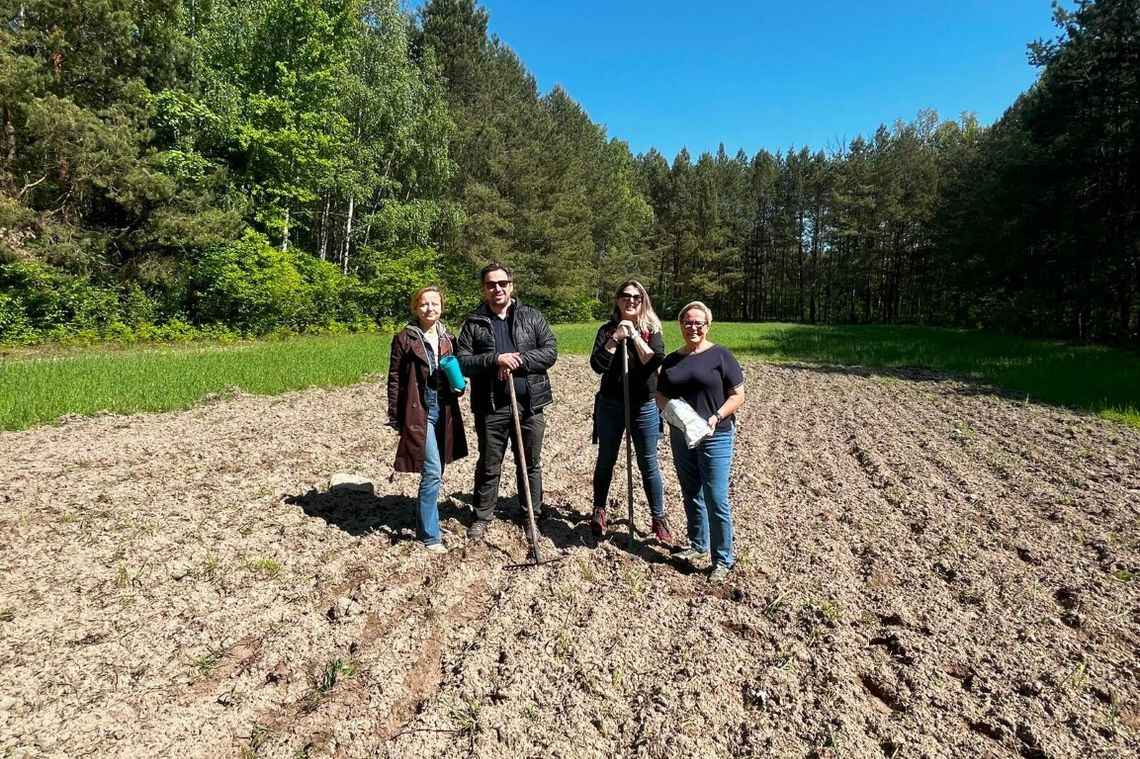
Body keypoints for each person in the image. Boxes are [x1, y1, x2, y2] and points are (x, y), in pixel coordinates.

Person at [457, 263, 558, 540]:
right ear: (484, 288)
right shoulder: (474, 322)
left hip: (530, 405)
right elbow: (463, 361)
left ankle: (531, 516)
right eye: (491, 284)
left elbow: (550, 351)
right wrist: (495, 360)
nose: (497, 289)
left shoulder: (532, 316)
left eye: (502, 283)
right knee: (489, 464)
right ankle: (482, 516)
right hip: (491, 407)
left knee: (530, 464)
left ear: (511, 285)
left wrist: (518, 360)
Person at [656, 301, 745, 583]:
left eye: (698, 323)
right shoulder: (672, 360)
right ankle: (698, 545)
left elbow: (738, 395)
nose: (692, 327)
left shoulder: (720, 355)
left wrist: (716, 417)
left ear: (708, 325)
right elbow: (660, 394)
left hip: (715, 434)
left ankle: (722, 559)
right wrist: (673, 412)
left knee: (715, 497)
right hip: (682, 434)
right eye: (687, 322)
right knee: (691, 491)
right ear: (680, 325)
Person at [386, 286, 469, 554]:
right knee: (432, 471)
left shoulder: (449, 339)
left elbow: (458, 374)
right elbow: (395, 378)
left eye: (434, 304)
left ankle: (428, 521)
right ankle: (429, 535)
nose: (429, 308)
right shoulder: (405, 338)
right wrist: (395, 415)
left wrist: (460, 386)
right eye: (424, 304)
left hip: (445, 409)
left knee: (437, 470)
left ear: (441, 308)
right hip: (419, 411)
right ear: (416, 307)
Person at [589, 280, 673, 543]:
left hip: (643, 405)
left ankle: (658, 517)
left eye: (637, 297)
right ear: (618, 299)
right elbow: (598, 365)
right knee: (606, 459)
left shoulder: (651, 330)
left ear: (643, 301)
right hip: (610, 404)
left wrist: (634, 335)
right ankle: (599, 509)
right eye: (626, 296)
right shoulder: (606, 330)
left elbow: (653, 360)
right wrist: (616, 338)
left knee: (648, 462)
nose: (631, 300)